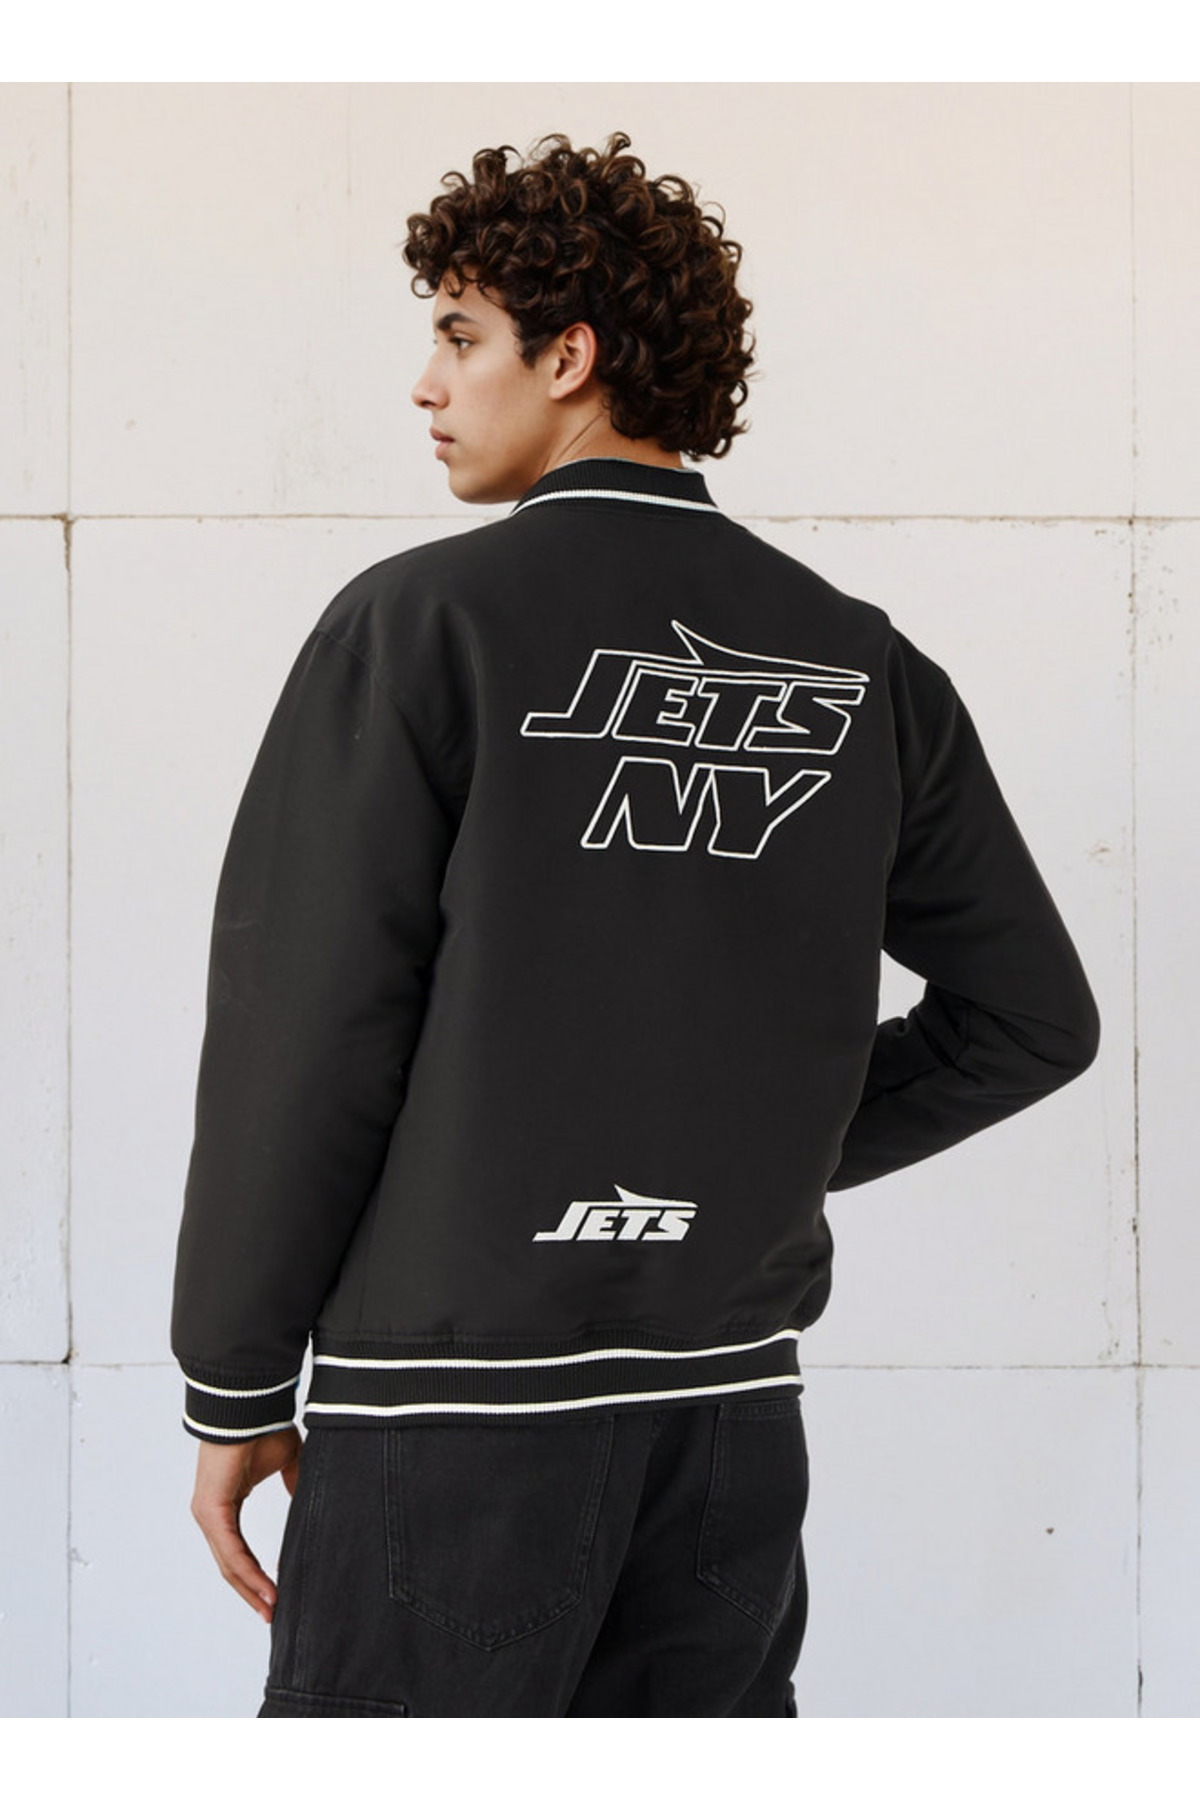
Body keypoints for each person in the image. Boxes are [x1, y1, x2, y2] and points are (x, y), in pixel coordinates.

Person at [171, 132, 1100, 1718]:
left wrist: (234, 1378)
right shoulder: (860, 662)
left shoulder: (423, 625)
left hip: (451, 1420)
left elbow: (306, 1032)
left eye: (460, 335)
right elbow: (1032, 1020)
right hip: (728, 1428)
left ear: (570, 358)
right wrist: (737, 1163)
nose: (426, 384)